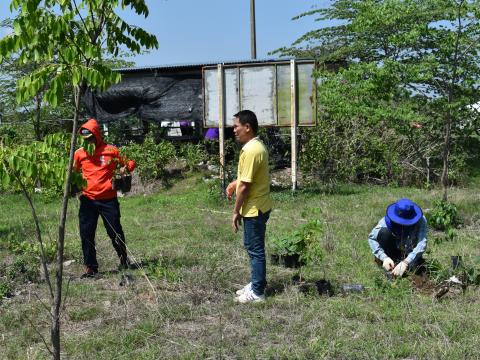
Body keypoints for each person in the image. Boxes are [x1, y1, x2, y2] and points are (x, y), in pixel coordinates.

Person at [73, 118, 136, 278]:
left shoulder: (111, 150)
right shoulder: (79, 153)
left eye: (91, 138)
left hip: (108, 199)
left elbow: (130, 162)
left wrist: (124, 168)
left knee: (115, 232)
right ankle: (90, 267)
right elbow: (72, 172)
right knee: (86, 233)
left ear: (97, 135)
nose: (89, 141)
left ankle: (123, 259)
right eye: (86, 139)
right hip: (88, 200)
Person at [226, 110, 272, 303]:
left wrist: (236, 211)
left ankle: (257, 292)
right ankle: (256, 283)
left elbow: (245, 187)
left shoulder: (252, 150)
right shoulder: (255, 146)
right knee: (252, 246)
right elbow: (246, 179)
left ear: (247, 127)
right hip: (259, 205)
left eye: (236, 126)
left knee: (255, 249)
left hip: (254, 208)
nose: (234, 130)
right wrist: (235, 183)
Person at [368, 198, 428, 277]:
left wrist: (406, 262)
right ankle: (389, 265)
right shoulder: (384, 223)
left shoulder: (421, 220)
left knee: (419, 269)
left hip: (409, 251)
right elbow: (372, 238)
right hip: (392, 249)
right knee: (384, 233)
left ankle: (404, 265)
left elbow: (422, 243)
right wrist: (384, 257)